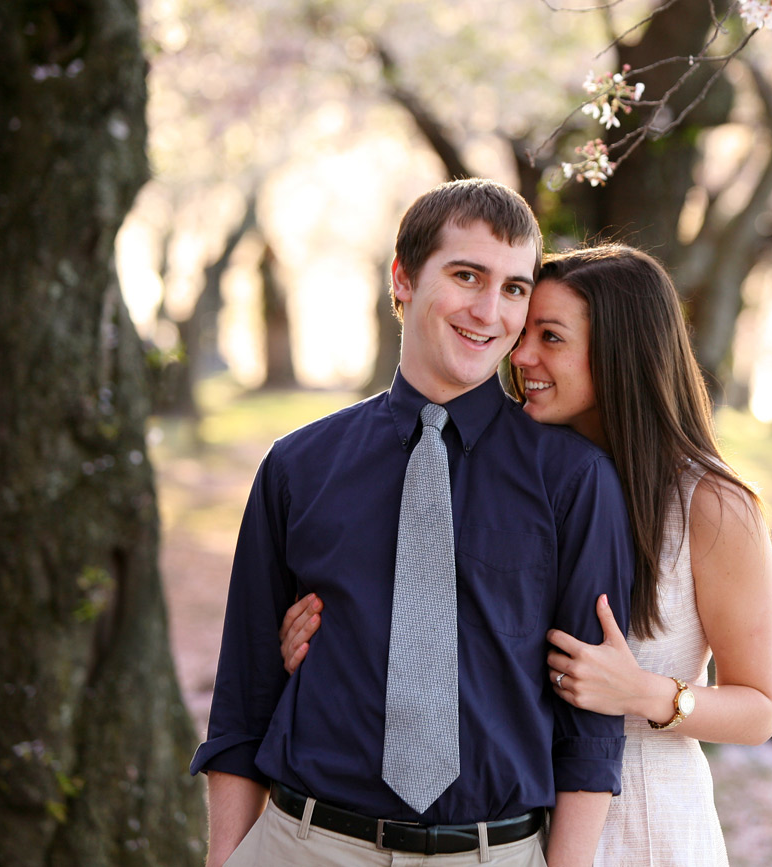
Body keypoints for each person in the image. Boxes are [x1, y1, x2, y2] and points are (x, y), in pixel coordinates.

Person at [281, 244, 772, 865]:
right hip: (514, 826)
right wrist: (322, 644)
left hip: (641, 828)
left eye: (550, 337)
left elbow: (760, 708)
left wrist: (644, 693)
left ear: (621, 352)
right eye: (525, 333)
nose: (520, 356)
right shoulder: (515, 473)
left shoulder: (710, 504)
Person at [191, 180, 635, 867]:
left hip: (492, 851)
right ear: (402, 279)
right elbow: (245, 696)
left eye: (515, 288)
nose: (490, 311)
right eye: (467, 276)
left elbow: (592, 725)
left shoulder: (572, 479)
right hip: (305, 843)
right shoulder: (297, 466)